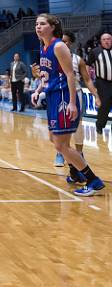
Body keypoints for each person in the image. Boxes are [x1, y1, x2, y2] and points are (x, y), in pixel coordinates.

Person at [30, 14, 104, 196]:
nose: (38, 27)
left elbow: (70, 75)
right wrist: (38, 90)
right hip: (52, 97)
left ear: (52, 26)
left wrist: (72, 103)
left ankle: (92, 180)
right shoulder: (43, 47)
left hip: (64, 98)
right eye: (36, 24)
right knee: (54, 140)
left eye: (42, 24)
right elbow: (47, 75)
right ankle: (76, 172)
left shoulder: (59, 46)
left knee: (62, 145)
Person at [58, 31, 101, 182]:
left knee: (77, 126)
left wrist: (95, 95)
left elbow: (88, 80)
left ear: (71, 43)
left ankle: (78, 158)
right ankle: (67, 158)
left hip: (75, 94)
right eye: (62, 41)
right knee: (60, 131)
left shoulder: (78, 59)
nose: (64, 43)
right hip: (58, 95)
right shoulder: (53, 58)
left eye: (67, 41)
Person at [86, 32, 112, 134]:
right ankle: (100, 125)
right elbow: (88, 65)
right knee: (104, 105)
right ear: (101, 41)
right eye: (104, 39)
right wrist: (88, 78)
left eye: (109, 39)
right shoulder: (95, 51)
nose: (107, 41)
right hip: (103, 83)